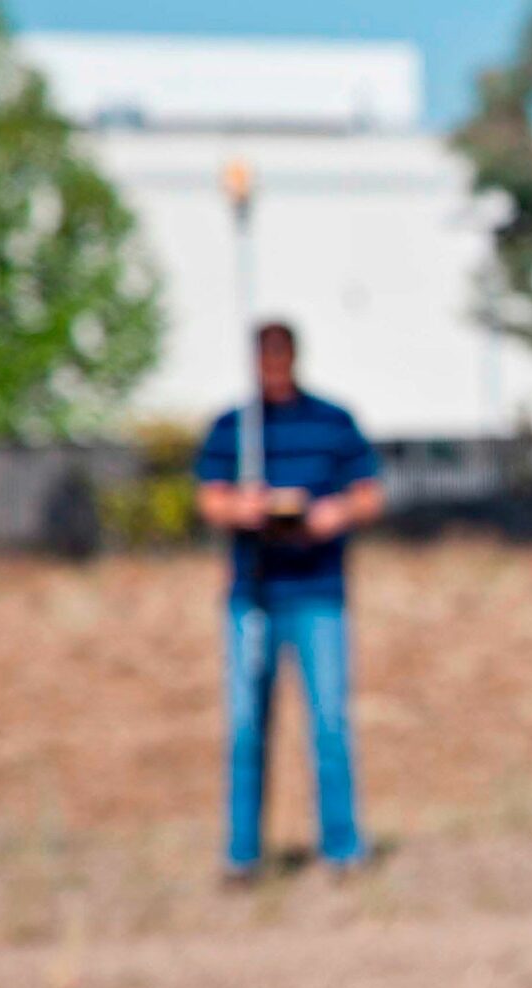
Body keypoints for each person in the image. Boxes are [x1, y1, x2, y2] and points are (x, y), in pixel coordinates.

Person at [194, 321, 384, 883]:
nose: (273, 366)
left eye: (281, 356)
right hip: (253, 594)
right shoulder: (235, 428)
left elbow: (369, 495)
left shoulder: (332, 422)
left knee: (329, 724)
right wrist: (244, 511)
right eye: (264, 357)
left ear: (294, 358)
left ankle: (343, 849)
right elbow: (210, 500)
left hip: (318, 593)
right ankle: (243, 856)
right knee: (247, 725)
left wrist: (333, 515)